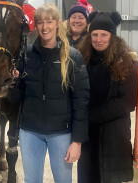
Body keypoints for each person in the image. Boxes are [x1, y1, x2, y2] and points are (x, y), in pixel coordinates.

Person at [18, 3, 90, 183]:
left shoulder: (73, 57)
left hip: (61, 133)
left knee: (63, 180)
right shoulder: (25, 55)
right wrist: (11, 81)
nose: (45, 27)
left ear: (58, 23)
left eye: (49, 22)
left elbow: (81, 100)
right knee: (32, 180)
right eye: (40, 22)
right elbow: (16, 97)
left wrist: (77, 141)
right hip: (30, 132)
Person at [77, 11, 138, 183]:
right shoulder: (82, 60)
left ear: (113, 37)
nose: (98, 39)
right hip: (88, 134)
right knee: (88, 176)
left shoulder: (126, 62)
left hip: (113, 134)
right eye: (94, 34)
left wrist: (92, 116)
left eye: (104, 34)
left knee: (109, 178)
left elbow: (127, 101)